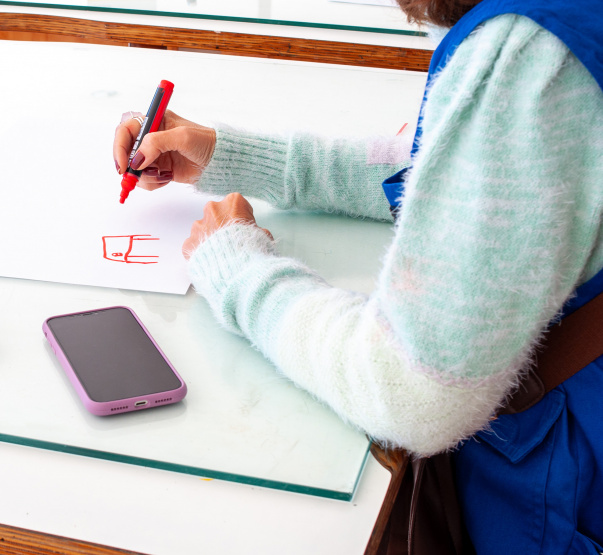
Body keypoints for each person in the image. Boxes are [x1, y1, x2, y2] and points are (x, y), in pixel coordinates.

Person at [113, 0, 602, 552]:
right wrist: (240, 158)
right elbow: (457, 167)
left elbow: (411, 392)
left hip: (564, 493)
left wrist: (237, 270)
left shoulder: (534, 57)